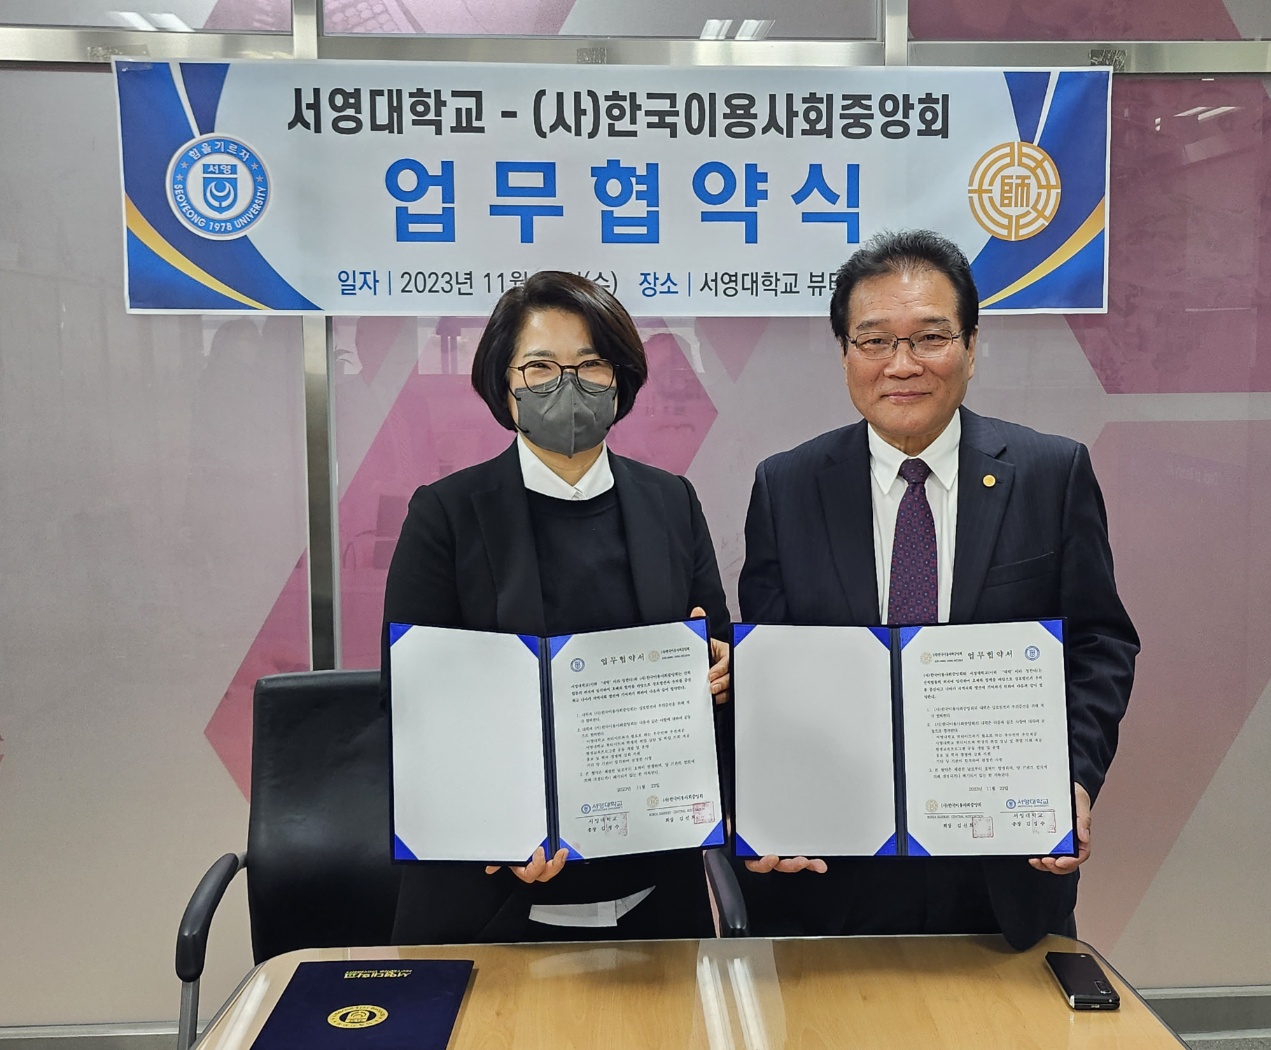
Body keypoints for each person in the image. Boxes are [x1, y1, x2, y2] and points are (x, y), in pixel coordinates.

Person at [737, 229, 1138, 950]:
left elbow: (1099, 643)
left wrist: (1074, 780)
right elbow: (769, 673)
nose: (903, 364)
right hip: (833, 873)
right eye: (874, 341)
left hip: (1001, 865)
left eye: (930, 337)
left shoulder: (1051, 475)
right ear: (844, 354)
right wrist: (765, 806)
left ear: (972, 347)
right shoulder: (786, 486)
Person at [383, 270, 731, 944]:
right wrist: (496, 825)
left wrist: (718, 671)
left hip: (655, 888)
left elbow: (713, 646)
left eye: (590, 365)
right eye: (540, 366)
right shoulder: (446, 514)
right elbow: (411, 699)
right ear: (504, 383)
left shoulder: (671, 502)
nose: (567, 385)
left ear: (620, 380)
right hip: (493, 892)